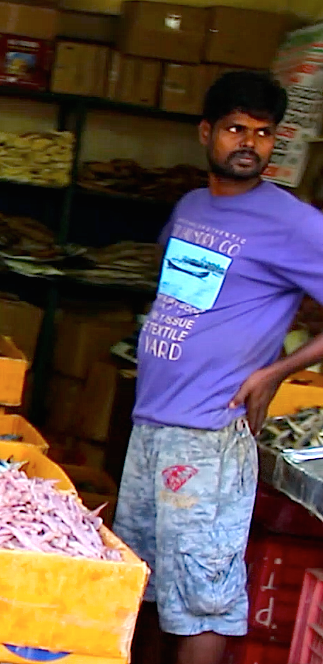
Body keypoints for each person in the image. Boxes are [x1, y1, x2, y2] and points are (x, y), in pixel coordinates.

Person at [114, 70, 323, 664]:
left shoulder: (292, 222)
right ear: (206, 132)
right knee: (140, 581)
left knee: (203, 598)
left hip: (209, 433)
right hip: (153, 423)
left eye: (263, 132)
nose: (249, 144)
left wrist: (275, 372)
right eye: (236, 129)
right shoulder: (191, 206)